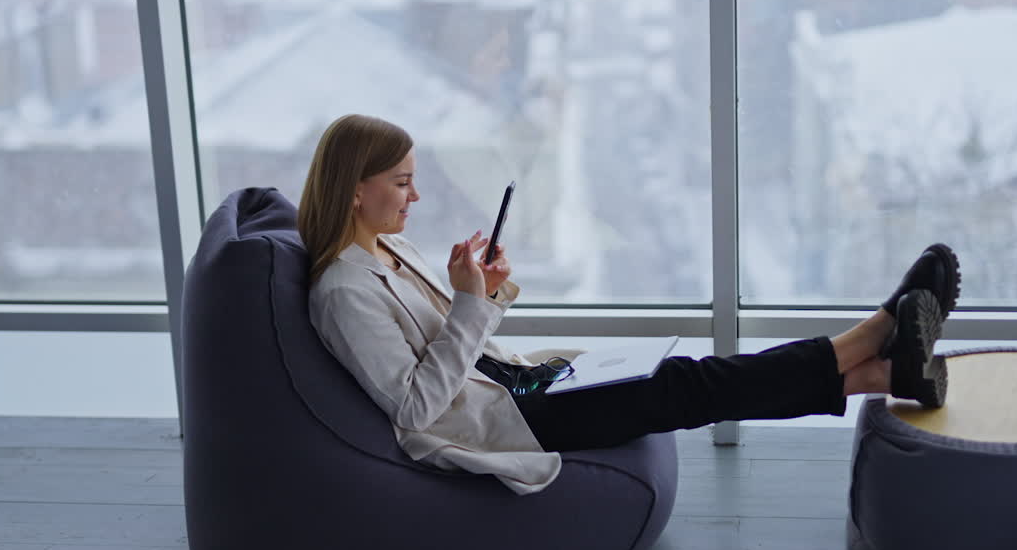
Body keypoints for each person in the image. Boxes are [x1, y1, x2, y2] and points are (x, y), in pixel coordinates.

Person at [299, 114, 961, 495]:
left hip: (527, 384)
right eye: (401, 182)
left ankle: (882, 373)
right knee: (689, 385)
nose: (414, 197)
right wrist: (471, 303)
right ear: (354, 190)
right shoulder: (342, 291)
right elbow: (416, 408)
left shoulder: (392, 252)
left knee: (681, 379)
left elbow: (461, 343)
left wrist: (488, 293)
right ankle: (875, 334)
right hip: (512, 423)